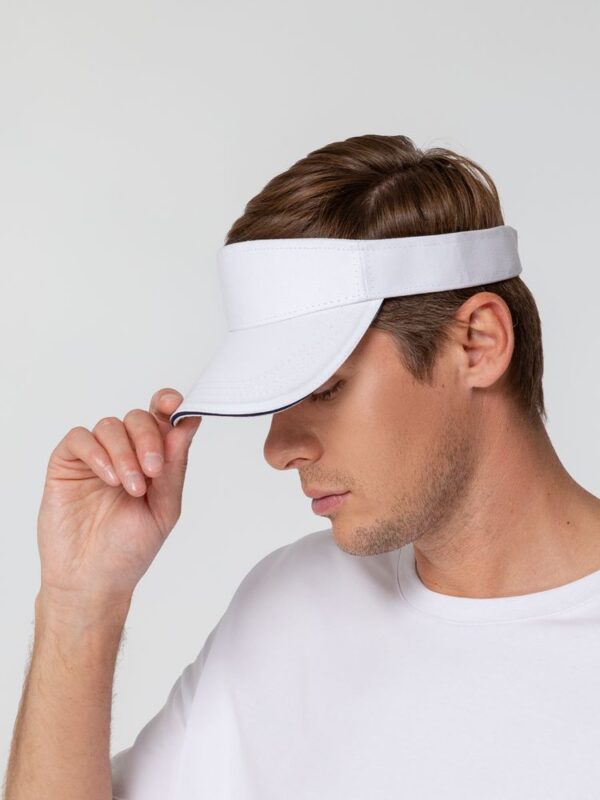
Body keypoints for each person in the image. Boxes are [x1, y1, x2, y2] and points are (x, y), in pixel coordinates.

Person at [5, 134, 600, 799]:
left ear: (478, 344)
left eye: (325, 390)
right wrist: (80, 604)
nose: (277, 449)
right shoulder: (291, 604)